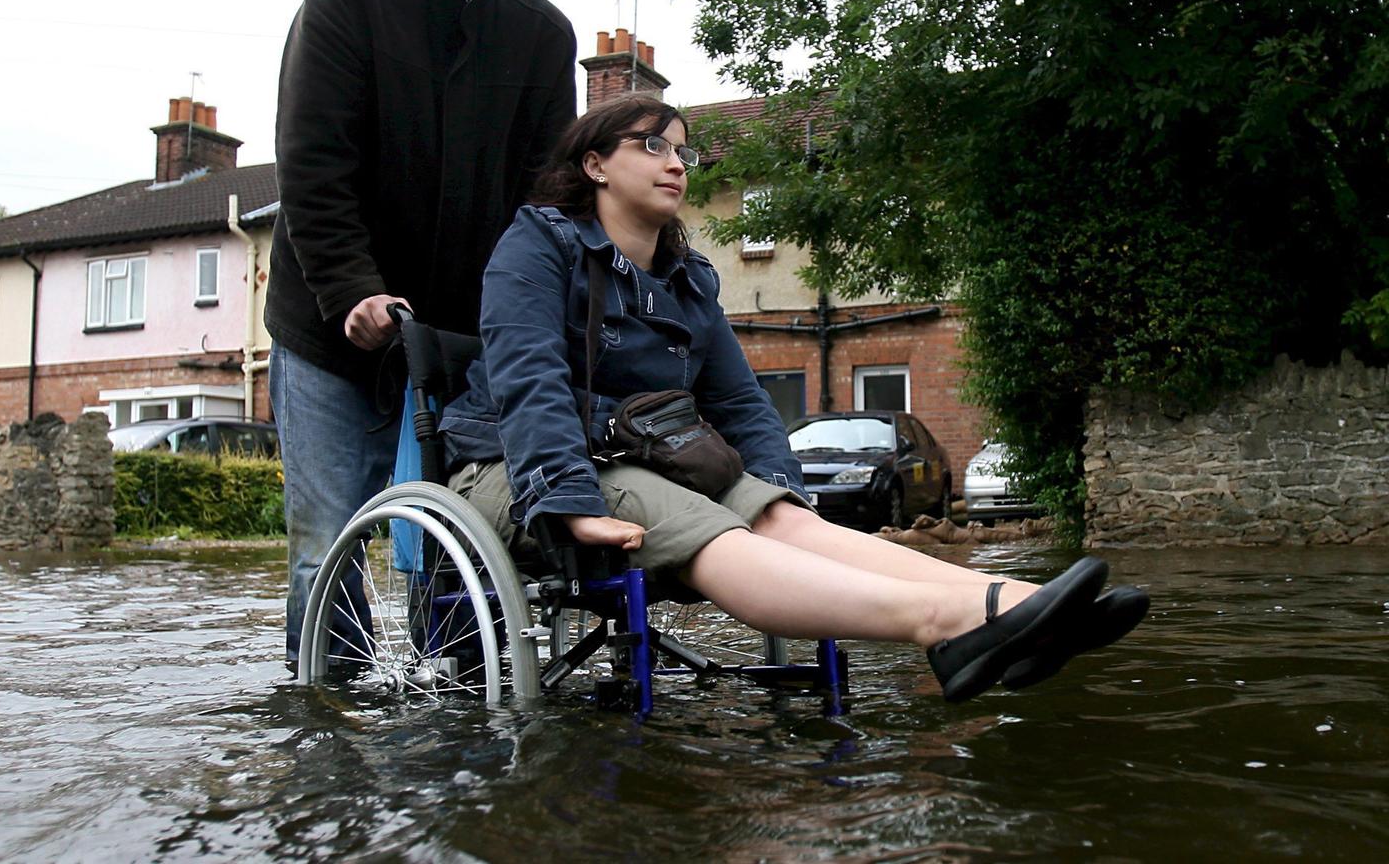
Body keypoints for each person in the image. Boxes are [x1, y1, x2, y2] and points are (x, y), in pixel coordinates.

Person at [437, 95, 1150, 701]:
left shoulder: (689, 281)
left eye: (683, 150)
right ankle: (947, 624)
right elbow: (528, 378)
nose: (677, 163)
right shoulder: (539, 245)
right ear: (594, 164)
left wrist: (780, 495)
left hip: (644, 462)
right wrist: (568, 501)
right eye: (651, 145)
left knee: (782, 519)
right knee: (707, 526)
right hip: (518, 468)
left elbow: (744, 405)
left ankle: (1015, 606)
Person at [269, 0, 578, 668]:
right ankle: (326, 712)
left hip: (467, 332)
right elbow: (312, 163)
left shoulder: (542, 32)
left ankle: (455, 709)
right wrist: (351, 292)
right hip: (331, 320)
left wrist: (529, 319)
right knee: (328, 541)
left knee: (468, 534)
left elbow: (547, 197)